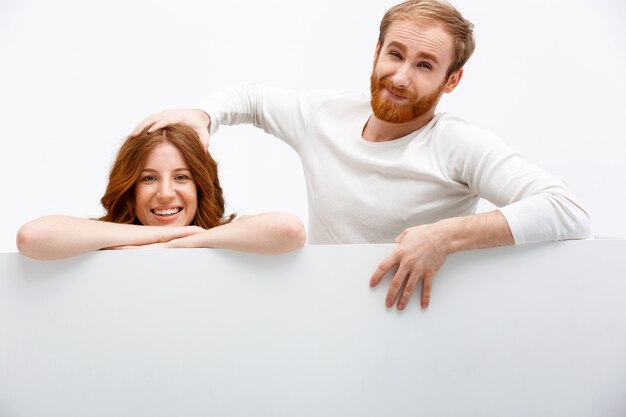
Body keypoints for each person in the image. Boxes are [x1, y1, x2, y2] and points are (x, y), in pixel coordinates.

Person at [131, 0, 590, 310]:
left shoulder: (457, 144)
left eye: (425, 65)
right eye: (395, 54)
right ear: (376, 51)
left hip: (415, 322)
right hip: (325, 312)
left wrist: (446, 236)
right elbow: (251, 97)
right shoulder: (326, 114)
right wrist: (203, 115)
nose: (401, 76)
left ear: (452, 81)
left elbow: (567, 211)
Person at [17, 125, 306, 260]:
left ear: (200, 185)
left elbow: (290, 230)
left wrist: (177, 245)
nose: (166, 193)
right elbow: (32, 237)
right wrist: (158, 236)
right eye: (148, 179)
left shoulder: (222, 235)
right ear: (130, 186)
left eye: (181, 177)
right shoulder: (109, 241)